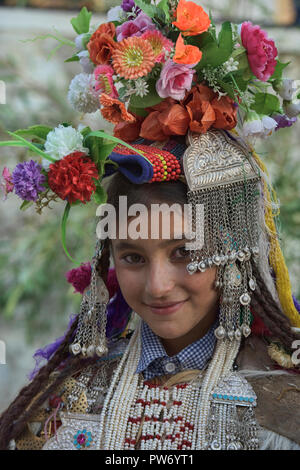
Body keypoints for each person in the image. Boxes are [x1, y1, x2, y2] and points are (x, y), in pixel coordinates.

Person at [0, 0, 300, 451]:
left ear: (233, 248)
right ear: (110, 257)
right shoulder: (68, 394)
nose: (159, 286)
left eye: (184, 252)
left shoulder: (283, 398)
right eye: (134, 257)